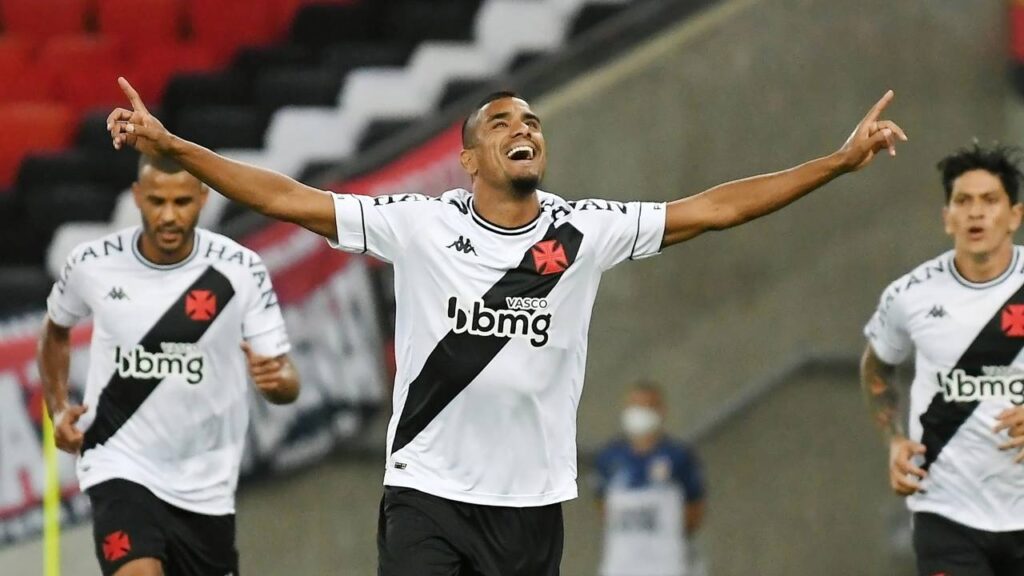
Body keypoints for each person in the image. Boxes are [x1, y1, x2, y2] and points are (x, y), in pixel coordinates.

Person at [105, 76, 904, 575]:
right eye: (500, 123)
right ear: (470, 159)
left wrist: (833, 164)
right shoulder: (416, 224)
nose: (523, 128)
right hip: (426, 493)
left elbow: (717, 208)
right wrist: (175, 146)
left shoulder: (583, 230)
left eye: (532, 120)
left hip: (530, 505)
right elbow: (286, 199)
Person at [37, 154, 300, 576]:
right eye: (157, 201)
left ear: (203, 197)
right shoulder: (93, 263)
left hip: (205, 482)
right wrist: (57, 405)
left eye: (182, 202)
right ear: (138, 197)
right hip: (117, 461)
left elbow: (286, 379)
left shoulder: (240, 270)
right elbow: (55, 331)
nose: (169, 215)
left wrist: (277, 381)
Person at [861, 143, 1024, 576]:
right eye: (962, 201)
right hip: (947, 512)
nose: (975, 213)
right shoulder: (909, 295)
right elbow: (877, 366)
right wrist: (894, 439)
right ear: (946, 216)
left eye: (990, 201)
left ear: (1015, 216)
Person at [594, 381, 706, 576]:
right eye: (634, 406)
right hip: (621, 565)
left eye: (646, 406)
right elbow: (603, 506)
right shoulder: (609, 458)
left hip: (665, 565)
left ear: (661, 411)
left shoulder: (678, 456)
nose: (639, 413)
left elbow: (694, 512)